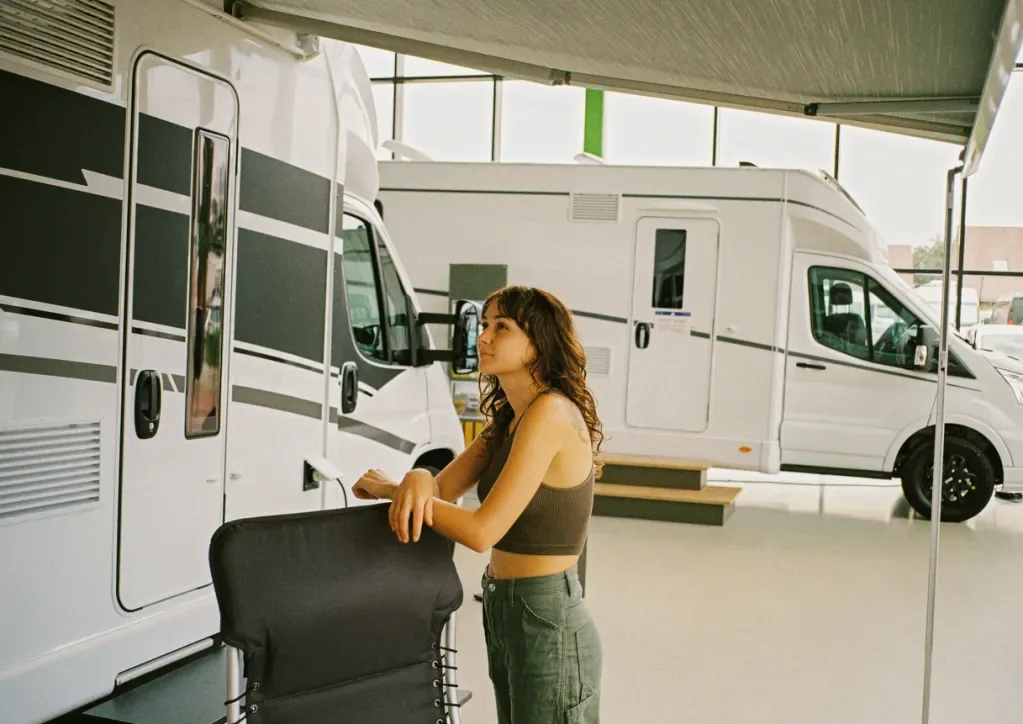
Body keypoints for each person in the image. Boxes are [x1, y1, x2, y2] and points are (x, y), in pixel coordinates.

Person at [353, 285, 604, 724]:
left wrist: (397, 489)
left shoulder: (550, 413)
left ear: (539, 342)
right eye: (484, 325)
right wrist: (415, 477)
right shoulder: (510, 418)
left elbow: (480, 531)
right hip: (506, 607)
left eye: (500, 327)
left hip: (546, 615)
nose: (482, 337)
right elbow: (440, 491)